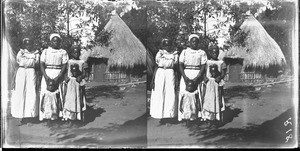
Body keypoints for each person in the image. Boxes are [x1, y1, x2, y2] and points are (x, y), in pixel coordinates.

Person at [178, 34, 207, 122]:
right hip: (186, 73)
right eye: (192, 41)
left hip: (197, 73)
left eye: (196, 42)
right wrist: (184, 76)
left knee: (197, 94)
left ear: (198, 43)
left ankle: (196, 115)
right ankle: (184, 115)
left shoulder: (201, 52)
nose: (194, 43)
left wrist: (198, 77)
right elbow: (180, 64)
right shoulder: (185, 52)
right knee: (185, 94)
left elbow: (203, 65)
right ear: (189, 42)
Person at [39, 33, 69, 121]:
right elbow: (42, 64)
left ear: (60, 42)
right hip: (47, 72)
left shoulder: (63, 52)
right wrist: (45, 76)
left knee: (59, 93)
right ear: (51, 42)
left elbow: (64, 64)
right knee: (46, 92)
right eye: (54, 41)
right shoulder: (46, 51)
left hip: (58, 72)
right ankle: (46, 115)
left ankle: (59, 114)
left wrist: (59, 76)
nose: (55, 42)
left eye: (57, 41)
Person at [11, 38, 40, 124]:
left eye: (30, 44)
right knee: (21, 93)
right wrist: (13, 79)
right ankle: (22, 116)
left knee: (31, 94)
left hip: (31, 72)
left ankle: (30, 117)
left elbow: (37, 66)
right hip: (21, 73)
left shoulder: (36, 53)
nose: (29, 46)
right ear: (24, 45)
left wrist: (38, 78)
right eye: (27, 44)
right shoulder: (21, 53)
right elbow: (17, 65)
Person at [150, 38, 178, 124]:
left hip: (170, 73)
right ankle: (161, 116)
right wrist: (152, 80)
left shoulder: (175, 54)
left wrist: (177, 80)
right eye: (165, 44)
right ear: (163, 45)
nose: (167, 46)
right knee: (160, 94)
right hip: (160, 74)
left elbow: (176, 68)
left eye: (169, 44)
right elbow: (156, 66)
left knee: (170, 95)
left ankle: (169, 117)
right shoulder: (159, 53)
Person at [202, 45, 226, 124]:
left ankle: (217, 118)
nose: (215, 54)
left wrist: (220, 77)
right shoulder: (207, 62)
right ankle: (209, 119)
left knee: (218, 99)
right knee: (208, 100)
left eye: (216, 52)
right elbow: (203, 71)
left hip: (217, 83)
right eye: (213, 52)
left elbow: (223, 73)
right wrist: (205, 77)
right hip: (209, 83)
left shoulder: (221, 62)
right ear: (210, 53)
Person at [62, 45, 87, 121]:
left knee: (79, 98)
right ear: (72, 53)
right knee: (69, 99)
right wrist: (66, 77)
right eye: (74, 52)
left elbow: (84, 73)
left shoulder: (82, 62)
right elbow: (66, 72)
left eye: (78, 52)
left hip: (78, 83)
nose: (76, 54)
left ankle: (78, 118)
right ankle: (69, 117)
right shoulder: (69, 62)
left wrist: (81, 77)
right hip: (70, 83)